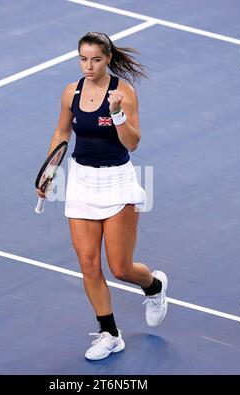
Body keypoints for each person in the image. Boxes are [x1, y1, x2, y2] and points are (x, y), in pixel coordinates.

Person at [37, 32, 168, 361]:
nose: (89, 66)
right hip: (81, 181)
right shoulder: (72, 92)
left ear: (108, 58)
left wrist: (118, 114)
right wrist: (49, 171)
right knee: (88, 263)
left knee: (120, 267)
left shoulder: (123, 92)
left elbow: (133, 143)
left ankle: (153, 286)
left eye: (95, 59)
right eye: (83, 59)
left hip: (117, 181)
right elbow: (62, 131)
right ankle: (109, 333)